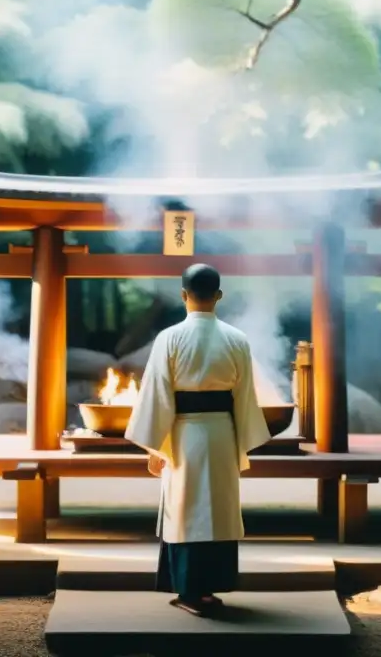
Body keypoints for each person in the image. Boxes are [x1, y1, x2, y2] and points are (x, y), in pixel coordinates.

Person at [125, 263, 271, 616]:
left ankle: (190, 591)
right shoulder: (237, 339)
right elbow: (245, 397)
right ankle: (207, 588)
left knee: (186, 509)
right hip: (222, 432)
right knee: (217, 509)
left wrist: (155, 447)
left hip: (184, 434)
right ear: (219, 296)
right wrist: (241, 442)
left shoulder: (169, 338)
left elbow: (158, 394)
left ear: (183, 295)